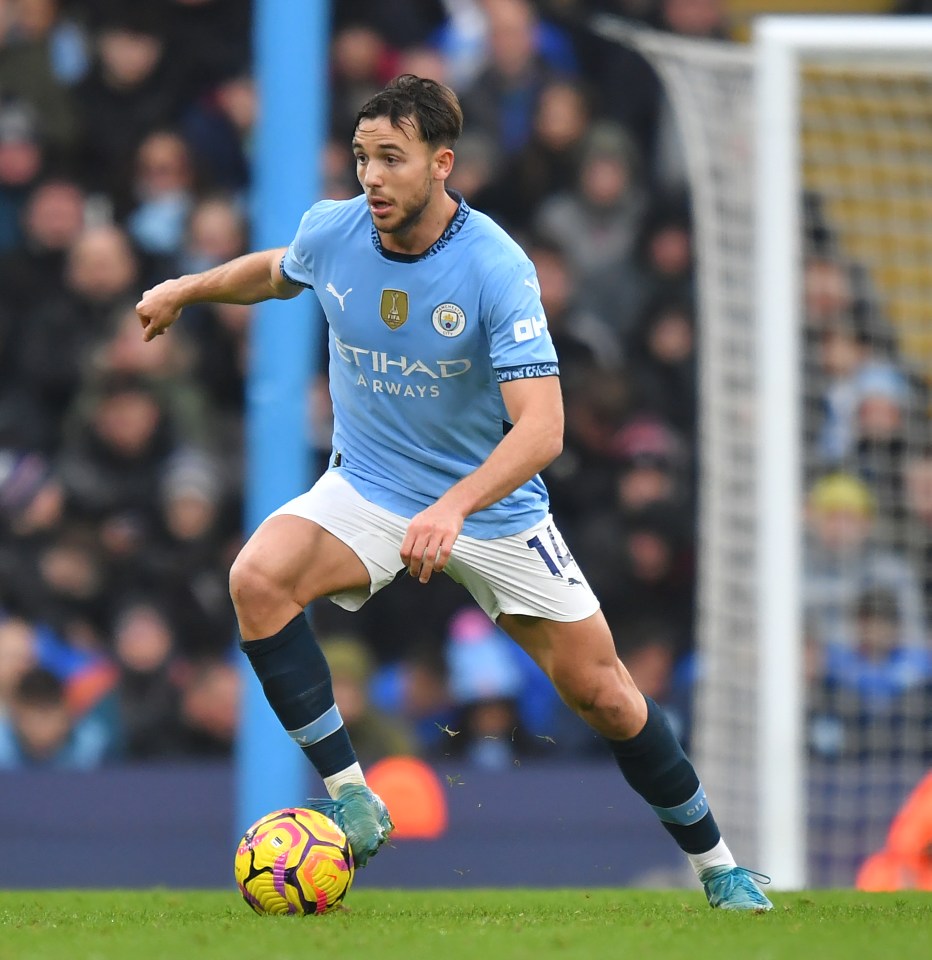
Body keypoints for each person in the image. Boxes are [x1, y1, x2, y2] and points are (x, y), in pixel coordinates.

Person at [135, 74, 771, 911]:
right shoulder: (337, 231)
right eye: (362, 157)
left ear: (441, 164)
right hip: (368, 485)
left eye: (390, 160)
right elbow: (278, 271)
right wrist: (186, 289)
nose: (371, 177)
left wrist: (456, 505)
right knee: (257, 578)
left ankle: (720, 865)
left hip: (493, 509)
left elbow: (543, 430)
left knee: (606, 697)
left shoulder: (495, 266)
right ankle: (354, 796)